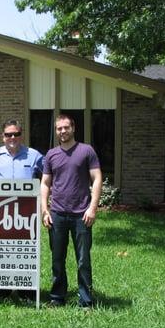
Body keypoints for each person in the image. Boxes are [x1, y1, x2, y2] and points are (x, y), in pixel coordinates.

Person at [40, 114, 102, 308]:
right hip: (57, 214)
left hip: (81, 215)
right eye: (59, 128)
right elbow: (45, 183)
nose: (62, 131)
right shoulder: (51, 154)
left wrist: (93, 208)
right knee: (57, 259)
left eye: (66, 127)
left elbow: (97, 178)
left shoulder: (86, 151)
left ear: (73, 128)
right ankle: (57, 297)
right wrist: (45, 210)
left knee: (83, 260)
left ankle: (86, 300)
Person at [0, 119, 43, 299]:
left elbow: (49, 177)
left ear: (21, 135)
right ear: (3, 137)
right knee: (3, 248)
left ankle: (26, 287)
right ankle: (3, 286)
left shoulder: (34, 155)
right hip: (0, 215)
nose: (12, 137)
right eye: (8, 134)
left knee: (25, 249)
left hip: (26, 215)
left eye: (16, 134)